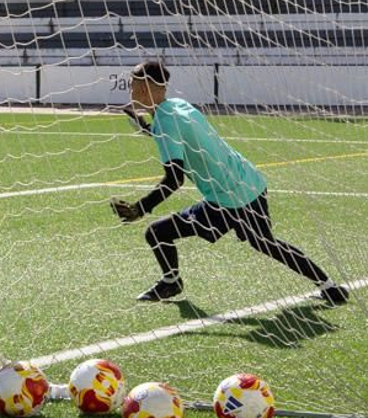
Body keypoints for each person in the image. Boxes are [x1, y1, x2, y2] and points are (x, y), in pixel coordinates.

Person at [111, 60, 347, 305]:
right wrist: (148, 128)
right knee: (266, 243)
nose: (131, 91)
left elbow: (174, 180)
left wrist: (141, 208)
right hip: (249, 181)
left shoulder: (165, 123)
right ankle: (329, 286)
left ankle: (171, 283)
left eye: (133, 86)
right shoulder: (178, 105)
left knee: (157, 232)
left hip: (227, 199)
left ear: (147, 87)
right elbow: (184, 135)